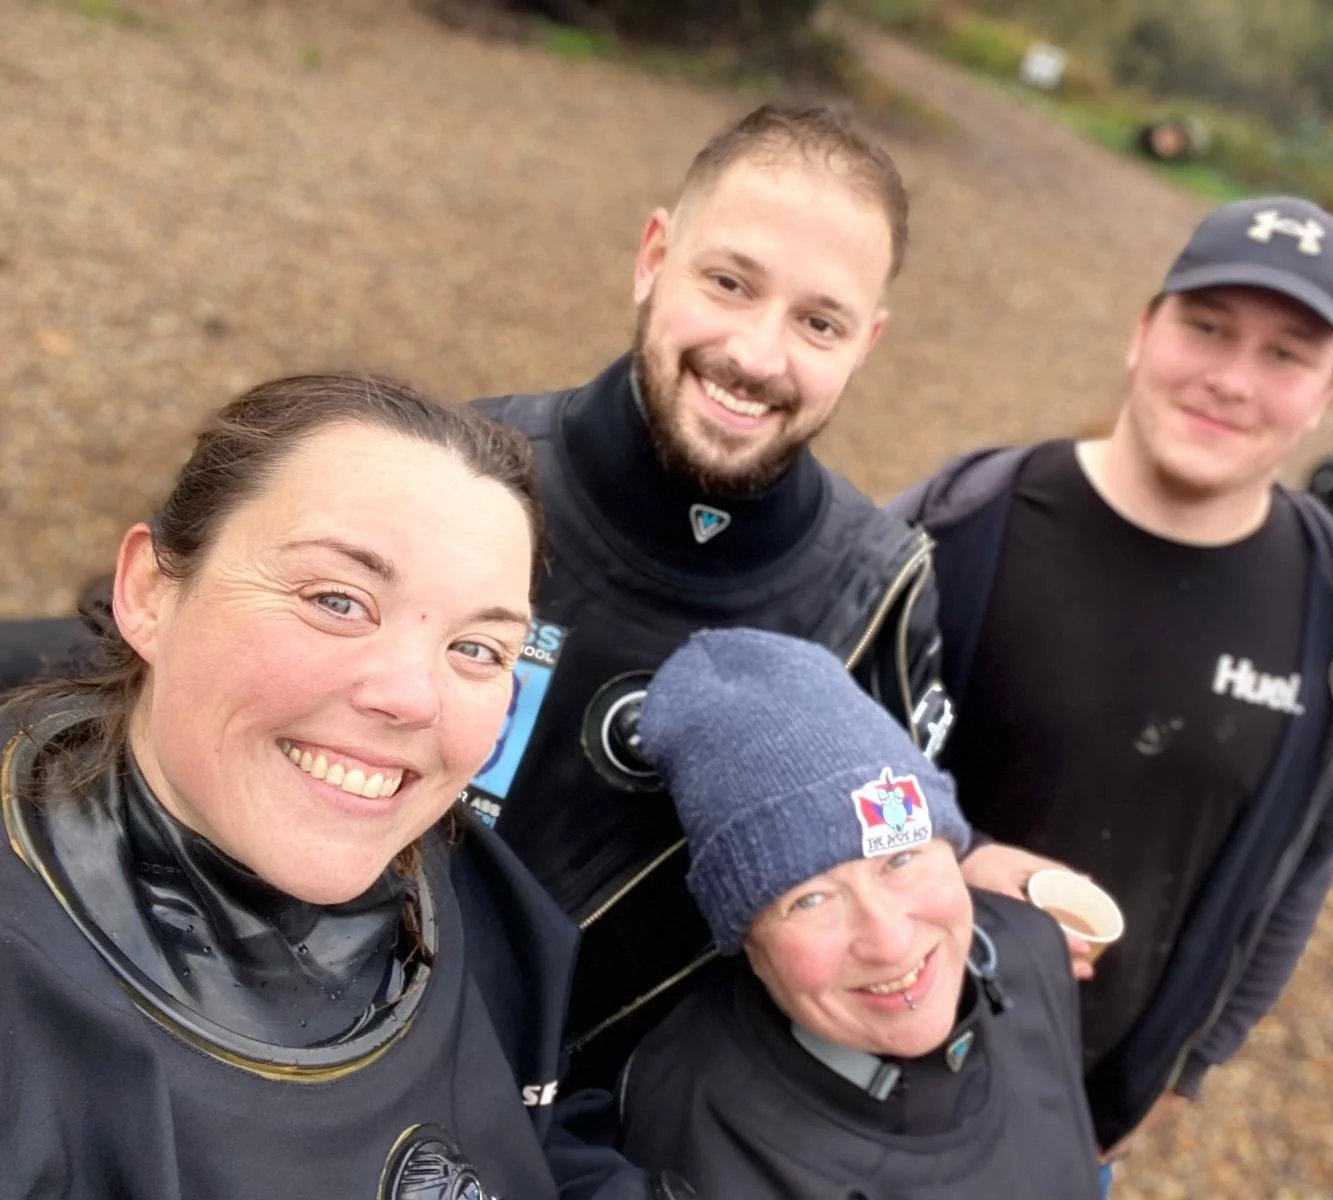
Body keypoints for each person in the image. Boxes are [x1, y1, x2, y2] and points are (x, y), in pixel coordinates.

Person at [0, 104, 951, 1091]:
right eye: (728, 283)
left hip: (588, 1124)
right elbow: (147, 674)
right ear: (653, 256)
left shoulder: (881, 592)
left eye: (819, 322)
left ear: (867, 342)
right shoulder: (462, 482)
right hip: (292, 1054)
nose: (755, 354)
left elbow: (895, 878)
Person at [0, 375, 676, 1199]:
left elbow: (531, 1131)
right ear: (149, 591)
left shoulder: (480, 900)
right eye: (338, 601)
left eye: (476, 648)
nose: (413, 697)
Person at [889, 197, 1333, 1179]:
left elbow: (1304, 868)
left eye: (1285, 354)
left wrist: (1179, 1078)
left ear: (1327, 393)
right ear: (1142, 331)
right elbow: (815, 762)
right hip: (839, 1080)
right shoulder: (961, 524)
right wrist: (956, 858)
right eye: (1206, 327)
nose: (1232, 380)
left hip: (1069, 1138)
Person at [618, 628, 1101, 1199]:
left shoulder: (1031, 945)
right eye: (810, 899)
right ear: (749, 943)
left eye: (900, 859)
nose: (889, 941)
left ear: (953, 850)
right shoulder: (700, 1136)